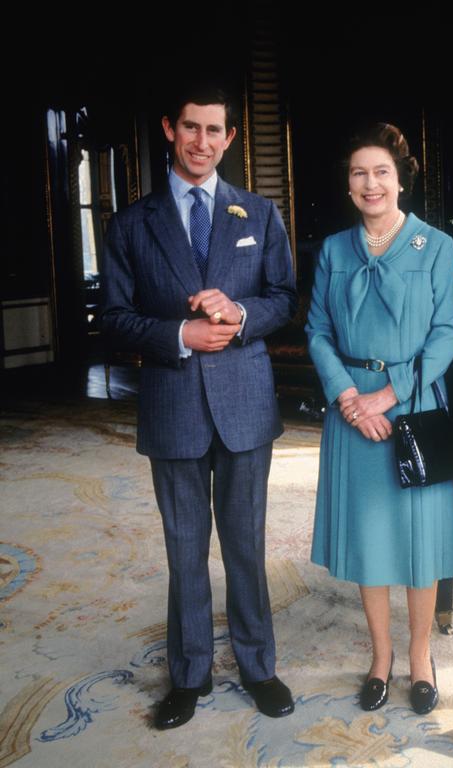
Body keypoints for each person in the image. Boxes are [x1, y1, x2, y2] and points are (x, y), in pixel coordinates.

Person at [101, 85, 298, 729]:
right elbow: (115, 319)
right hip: (174, 407)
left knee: (245, 544)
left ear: (231, 138)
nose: (202, 143)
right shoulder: (131, 223)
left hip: (245, 406)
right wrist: (179, 335)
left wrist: (240, 315)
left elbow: (283, 299)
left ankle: (258, 665)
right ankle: (188, 676)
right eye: (191, 128)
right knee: (185, 550)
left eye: (215, 131)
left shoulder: (260, 215)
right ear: (169, 128)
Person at [306, 122, 453, 715]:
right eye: (358, 173)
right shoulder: (332, 250)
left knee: (419, 543)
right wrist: (351, 397)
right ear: (348, 185)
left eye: (381, 172)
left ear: (401, 180)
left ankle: (421, 656)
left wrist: (389, 394)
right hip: (351, 409)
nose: (370, 183)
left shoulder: (437, 246)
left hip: (414, 406)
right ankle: (381, 656)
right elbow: (317, 331)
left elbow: (448, 333)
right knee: (371, 541)